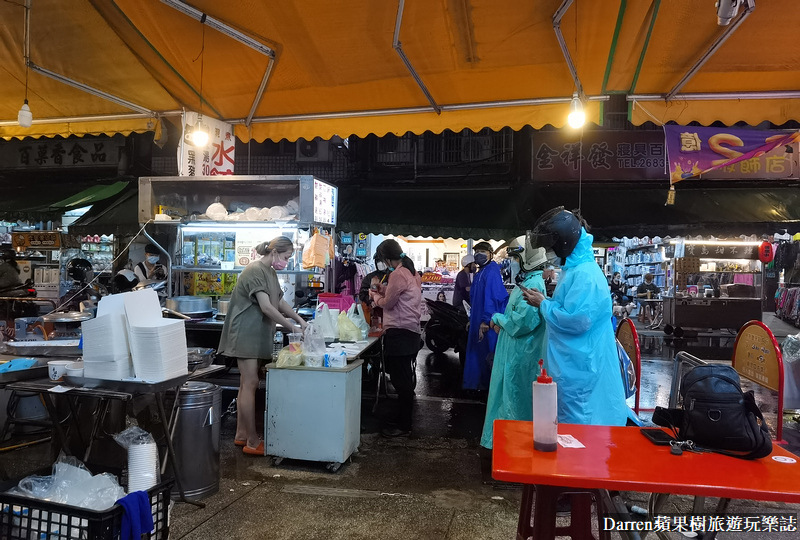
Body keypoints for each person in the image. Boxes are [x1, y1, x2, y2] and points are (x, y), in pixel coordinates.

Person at [522, 207, 629, 426]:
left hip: (581, 369)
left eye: (551, 246)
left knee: (580, 427)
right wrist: (547, 302)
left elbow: (578, 321)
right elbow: (569, 309)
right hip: (573, 366)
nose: (549, 252)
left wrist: (543, 304)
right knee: (569, 426)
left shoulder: (585, 274)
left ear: (564, 242)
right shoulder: (574, 270)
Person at [218, 237, 308, 455]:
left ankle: (241, 435)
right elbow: (267, 307)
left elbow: (279, 301)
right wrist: (291, 327)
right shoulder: (255, 270)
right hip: (245, 333)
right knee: (250, 383)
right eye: (286, 257)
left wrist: (301, 321)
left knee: (246, 383)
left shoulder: (270, 272)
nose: (286, 262)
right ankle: (251, 440)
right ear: (275, 252)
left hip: (256, 333)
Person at [480, 239, 547, 449]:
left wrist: (498, 319)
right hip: (514, 351)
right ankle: (504, 444)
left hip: (520, 354)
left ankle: (512, 447)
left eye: (516, 258)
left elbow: (523, 323)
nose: (513, 262)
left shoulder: (533, 284)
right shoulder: (527, 282)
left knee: (514, 401)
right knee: (507, 397)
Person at [370, 239, 422, 438]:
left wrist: (374, 296)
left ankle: (404, 425)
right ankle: (403, 419)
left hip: (400, 332)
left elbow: (388, 304)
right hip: (410, 331)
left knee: (401, 381)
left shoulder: (398, 274)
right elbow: (398, 296)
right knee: (404, 378)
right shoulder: (411, 271)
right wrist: (382, 290)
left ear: (386, 257)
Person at [463, 242, 509, 392]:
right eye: (477, 251)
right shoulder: (480, 272)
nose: (479, 254)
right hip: (477, 320)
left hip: (487, 324)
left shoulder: (492, 271)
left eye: (483, 251)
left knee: (488, 356)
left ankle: (487, 390)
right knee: (478, 354)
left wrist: (486, 320)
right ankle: (476, 385)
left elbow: (493, 298)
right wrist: (472, 319)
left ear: (490, 254)